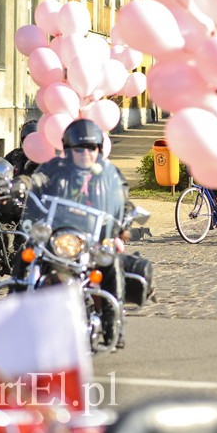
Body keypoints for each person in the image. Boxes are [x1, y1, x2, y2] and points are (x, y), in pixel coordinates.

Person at [11, 119, 130, 348]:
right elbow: (37, 182)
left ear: (98, 149)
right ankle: (16, 311)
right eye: (79, 148)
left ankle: (112, 324)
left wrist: (125, 218)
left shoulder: (108, 174)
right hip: (58, 235)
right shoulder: (55, 170)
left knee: (112, 262)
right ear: (68, 149)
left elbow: (122, 198)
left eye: (91, 148)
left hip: (92, 238)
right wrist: (22, 184)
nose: (86, 153)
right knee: (27, 253)